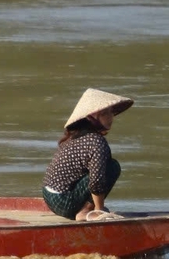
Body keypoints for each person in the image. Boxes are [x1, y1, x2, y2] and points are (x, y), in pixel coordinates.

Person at [44, 88, 132, 221]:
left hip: (49, 196)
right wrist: (99, 209)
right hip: (63, 200)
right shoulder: (96, 141)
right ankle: (85, 211)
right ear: (92, 117)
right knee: (112, 167)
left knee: (103, 168)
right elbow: (97, 181)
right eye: (105, 113)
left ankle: (86, 209)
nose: (111, 117)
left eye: (111, 112)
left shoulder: (75, 137)